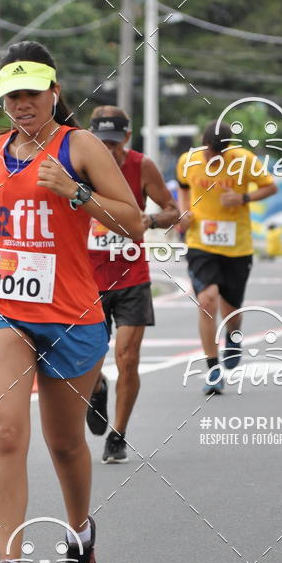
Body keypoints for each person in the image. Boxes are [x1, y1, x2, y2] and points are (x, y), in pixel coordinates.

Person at [0, 41, 145, 563]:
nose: (21, 104)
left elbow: (135, 223)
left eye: (31, 93)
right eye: (11, 95)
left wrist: (76, 191)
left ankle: (80, 537)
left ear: (54, 92)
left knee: (65, 445)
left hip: (72, 315)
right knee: (6, 434)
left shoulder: (81, 146)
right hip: (4, 307)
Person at [85, 106, 179, 464]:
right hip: (89, 278)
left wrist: (151, 217)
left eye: (113, 142)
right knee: (90, 357)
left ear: (126, 137)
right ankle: (96, 388)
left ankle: (118, 435)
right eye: (101, 142)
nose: (107, 150)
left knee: (128, 357)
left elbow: (173, 209)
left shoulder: (141, 166)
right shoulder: (79, 165)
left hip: (132, 276)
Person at [177, 120, 277, 394]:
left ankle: (234, 335)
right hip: (201, 241)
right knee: (207, 300)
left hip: (237, 245)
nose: (214, 158)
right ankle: (213, 369)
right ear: (203, 145)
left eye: (219, 154)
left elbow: (271, 187)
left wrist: (243, 198)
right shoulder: (188, 160)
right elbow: (184, 187)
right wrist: (185, 213)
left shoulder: (244, 160)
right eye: (210, 153)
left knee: (231, 312)